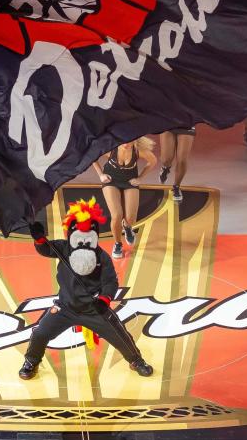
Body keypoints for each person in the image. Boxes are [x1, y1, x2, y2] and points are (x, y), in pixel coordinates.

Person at [18, 202, 153, 381]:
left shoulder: (102, 256)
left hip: (94, 308)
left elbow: (110, 281)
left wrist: (104, 300)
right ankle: (31, 361)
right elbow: (45, 249)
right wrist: (39, 238)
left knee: (120, 335)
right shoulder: (63, 247)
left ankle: (136, 360)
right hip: (66, 308)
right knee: (40, 333)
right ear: (72, 234)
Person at [92, 137, 156, 259]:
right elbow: (91, 155)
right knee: (117, 215)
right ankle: (117, 244)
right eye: (123, 140)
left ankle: (127, 227)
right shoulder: (110, 148)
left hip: (129, 181)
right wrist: (100, 174)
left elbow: (152, 161)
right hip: (111, 180)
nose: (126, 143)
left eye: (130, 140)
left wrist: (140, 178)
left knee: (131, 219)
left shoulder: (138, 150)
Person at [158, 128, 195, 203]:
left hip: (186, 123)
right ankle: (166, 168)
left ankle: (176, 186)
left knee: (182, 160)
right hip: (169, 122)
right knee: (166, 159)